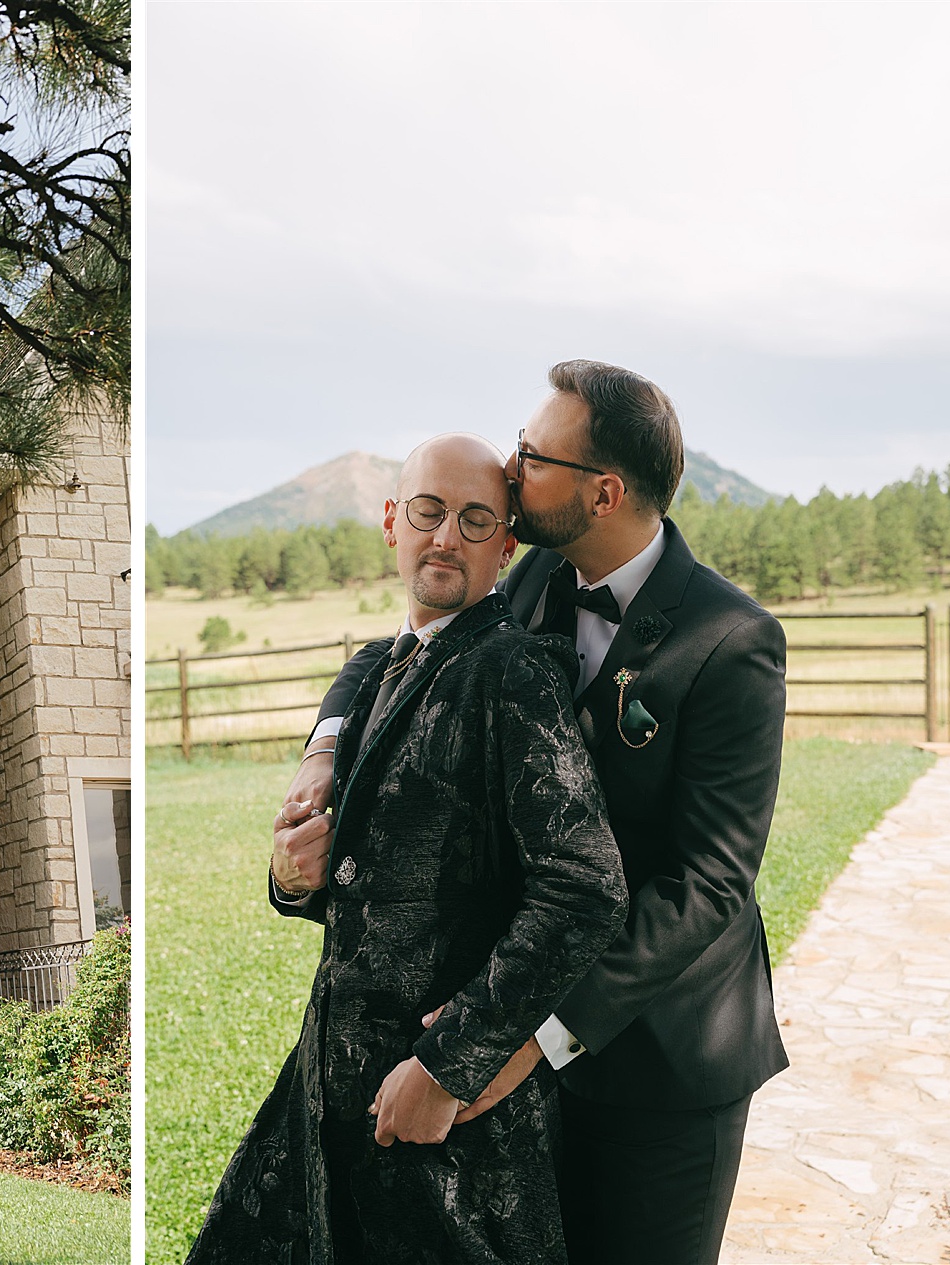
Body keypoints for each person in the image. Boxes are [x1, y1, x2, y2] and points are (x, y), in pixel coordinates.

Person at [293, 361, 789, 1265]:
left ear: (602, 492)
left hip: (662, 1057)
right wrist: (326, 747)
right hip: (516, 1055)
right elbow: (395, 647)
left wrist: (535, 1036)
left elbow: (709, 883)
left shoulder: (732, 640)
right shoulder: (529, 582)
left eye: (531, 455)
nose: (511, 475)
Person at [188, 434, 629, 1265]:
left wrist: (450, 1062)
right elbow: (365, 871)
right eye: (428, 512)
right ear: (393, 520)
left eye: (474, 520)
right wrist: (289, 877)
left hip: (444, 1134)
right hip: (327, 1094)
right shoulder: (384, 665)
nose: (445, 538)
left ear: (506, 543)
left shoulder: (512, 672)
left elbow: (587, 886)